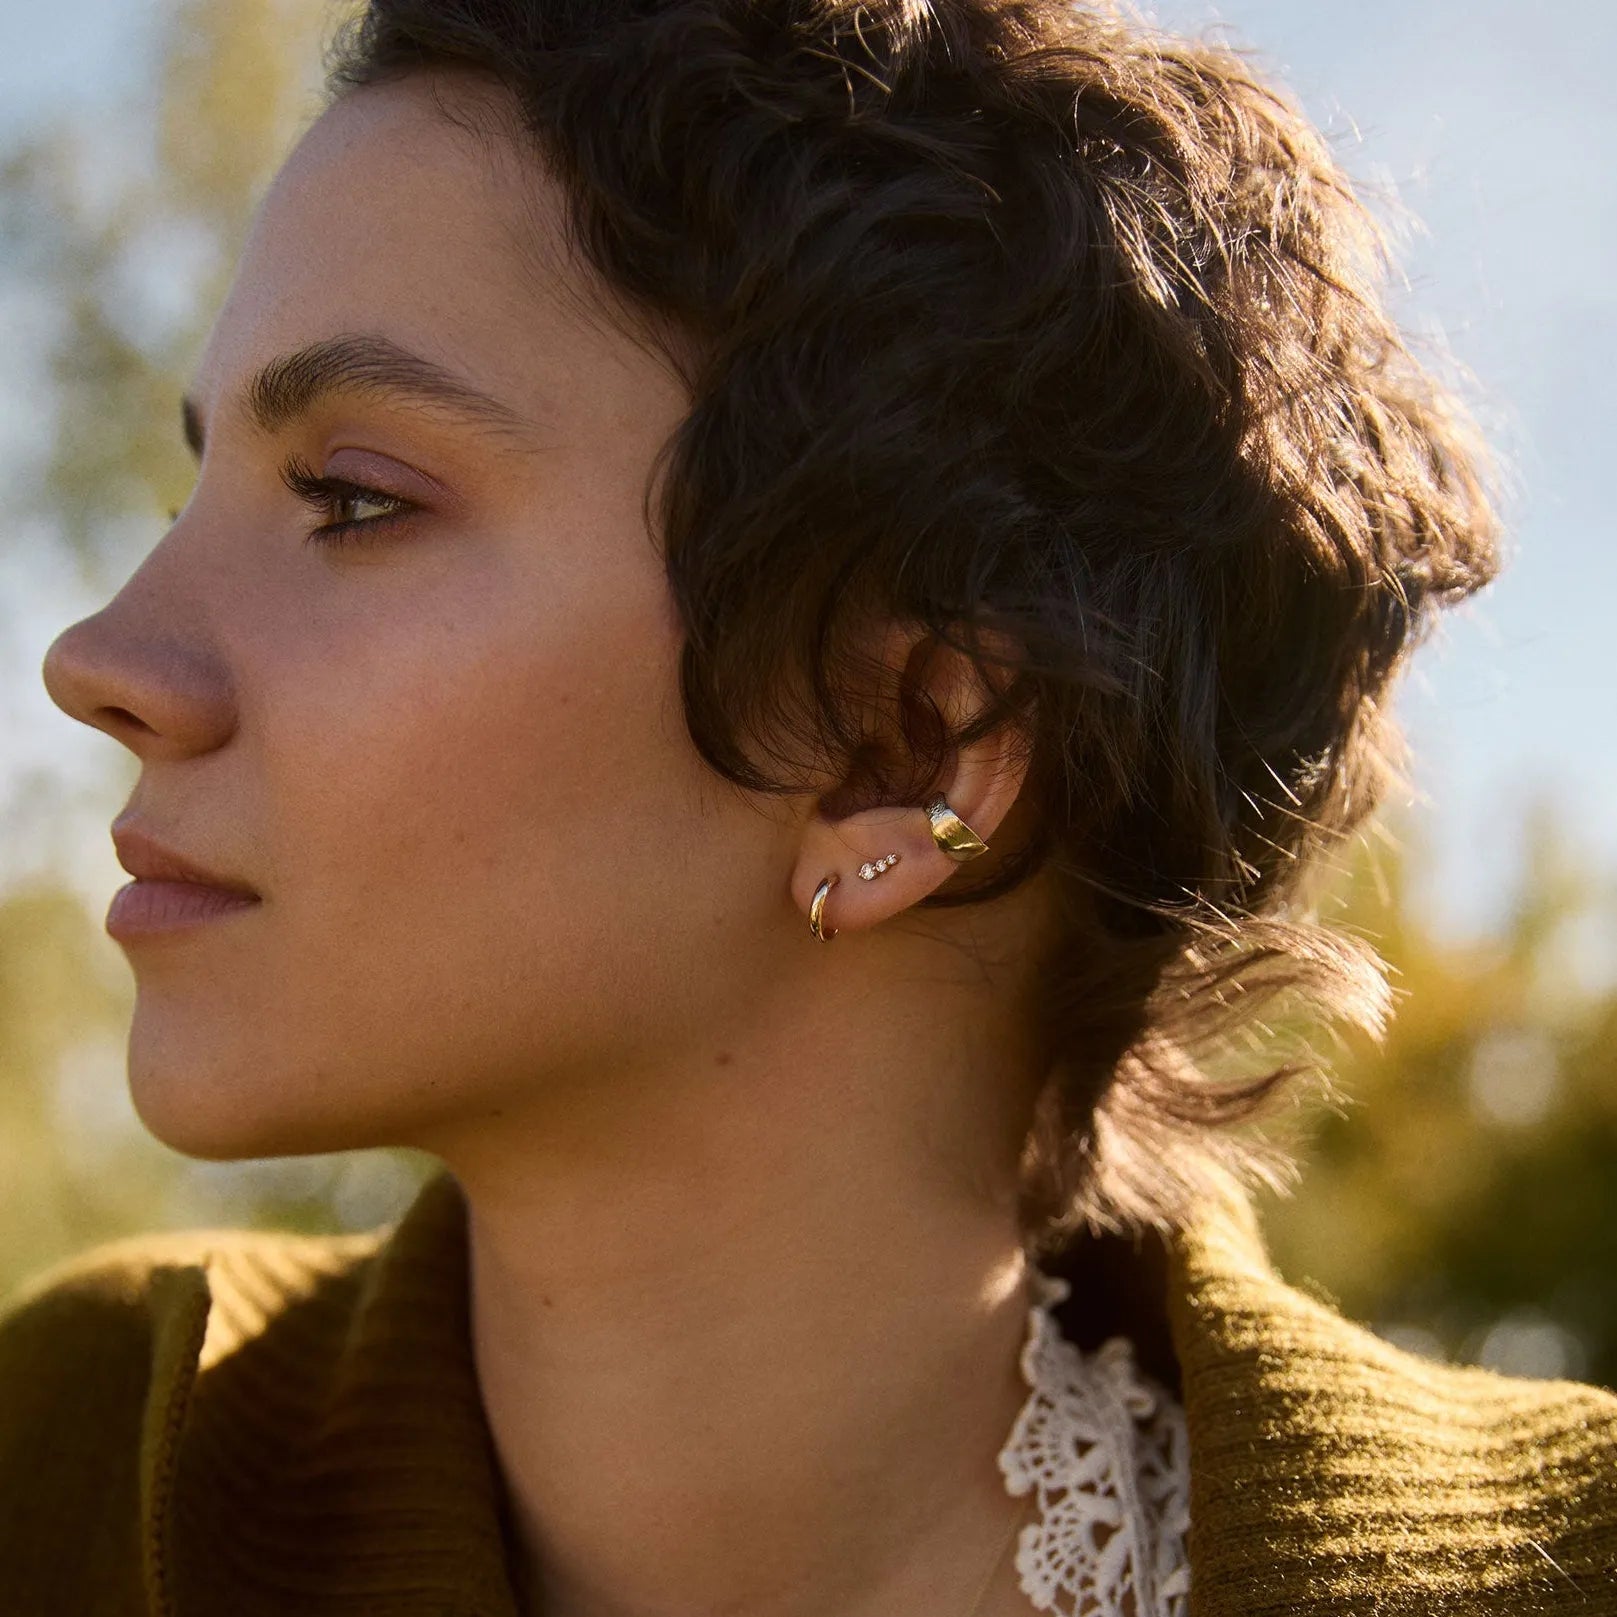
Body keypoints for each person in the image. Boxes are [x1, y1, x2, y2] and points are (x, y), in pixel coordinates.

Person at [6, 0, 1615, 1611]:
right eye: (191, 483)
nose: (102, 658)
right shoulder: (68, 1463)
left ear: (904, 756)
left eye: (351, 503)